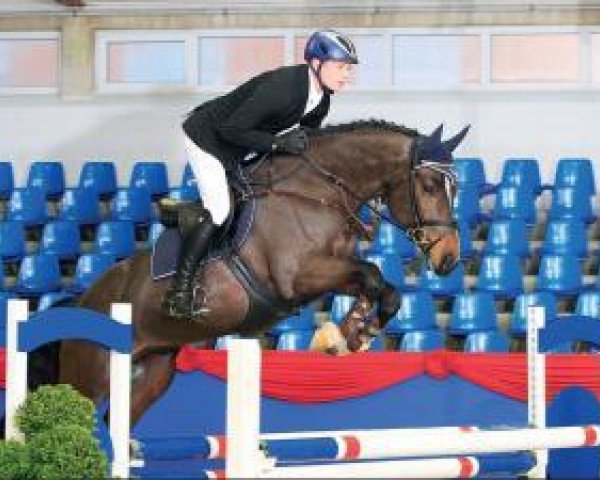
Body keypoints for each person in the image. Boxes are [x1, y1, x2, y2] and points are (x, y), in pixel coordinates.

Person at [163, 29, 358, 318]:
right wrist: (278, 143)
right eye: (341, 67)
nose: (347, 75)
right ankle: (179, 292)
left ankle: (187, 214)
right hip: (207, 140)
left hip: (241, 144)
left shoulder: (321, 100)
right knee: (219, 210)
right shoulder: (283, 87)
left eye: (349, 69)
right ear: (316, 64)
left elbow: (306, 144)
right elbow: (230, 129)